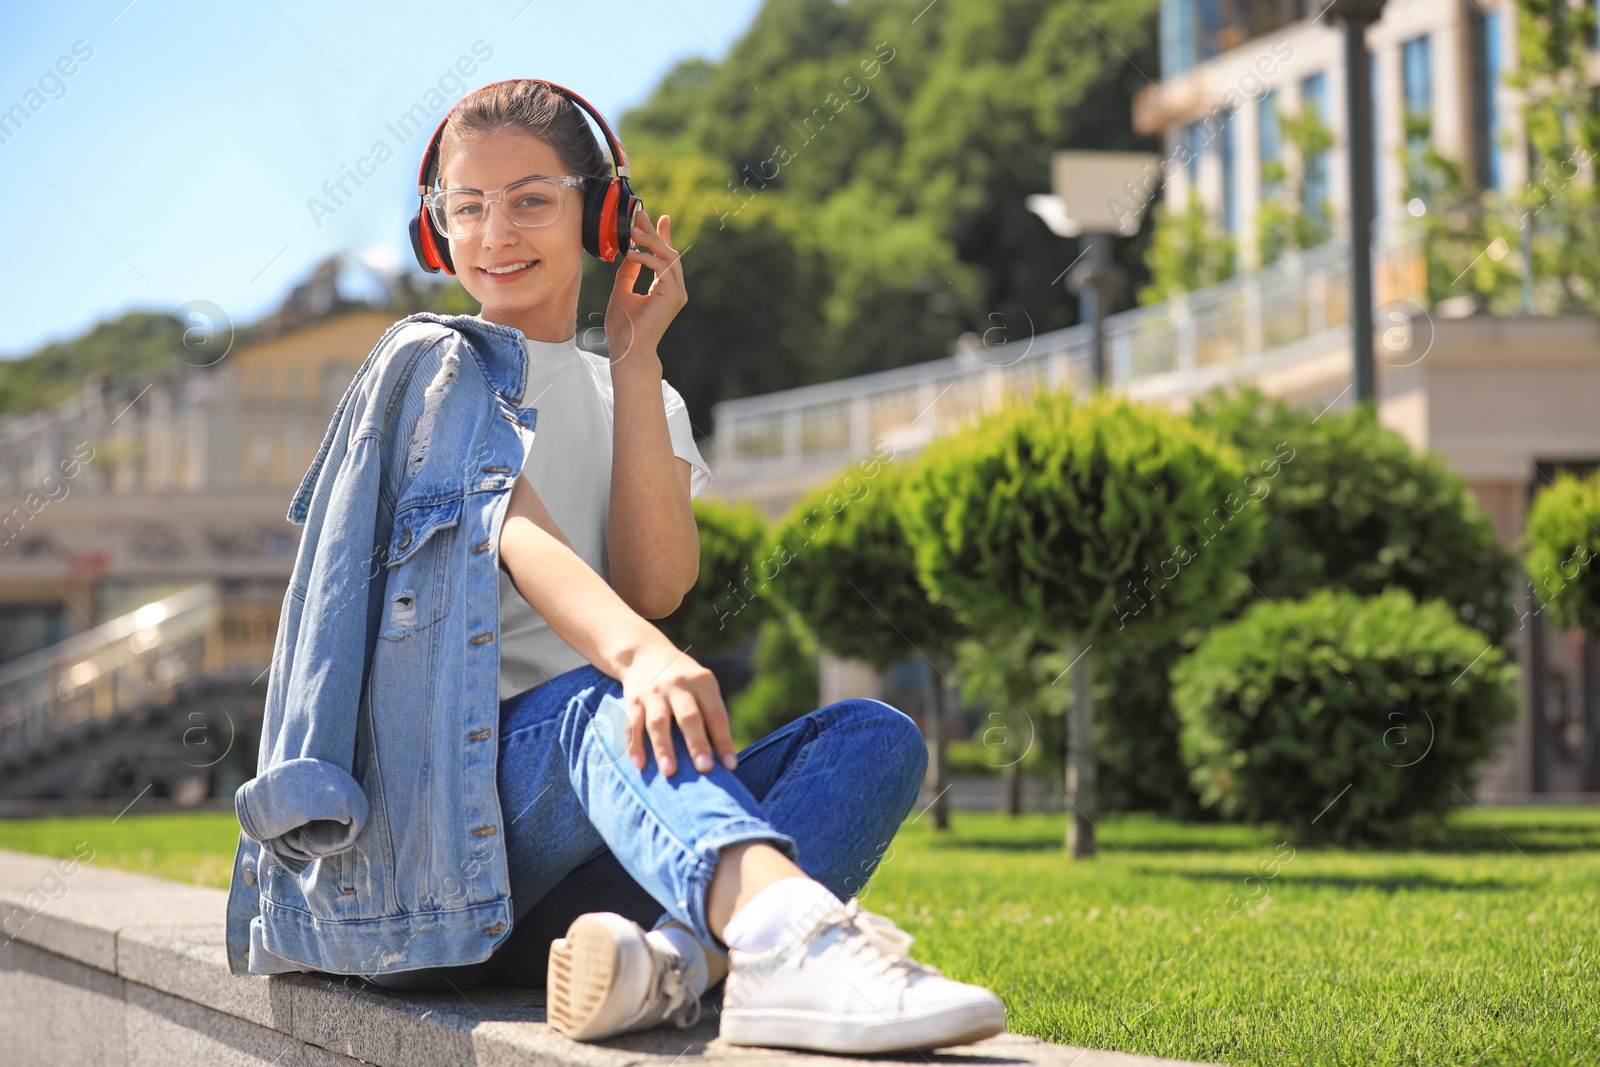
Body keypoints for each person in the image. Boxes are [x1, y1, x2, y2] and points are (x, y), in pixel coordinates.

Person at [365, 79, 1006, 1053]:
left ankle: (668, 965)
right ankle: (783, 934)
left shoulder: (637, 391)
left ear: (603, 215)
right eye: (467, 205)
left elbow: (657, 585)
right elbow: (518, 529)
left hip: (571, 883)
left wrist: (633, 362)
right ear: (436, 231)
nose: (494, 230)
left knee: (874, 737)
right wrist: (641, 658)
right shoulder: (433, 367)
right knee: (598, 696)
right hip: (448, 841)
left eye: (531, 198)